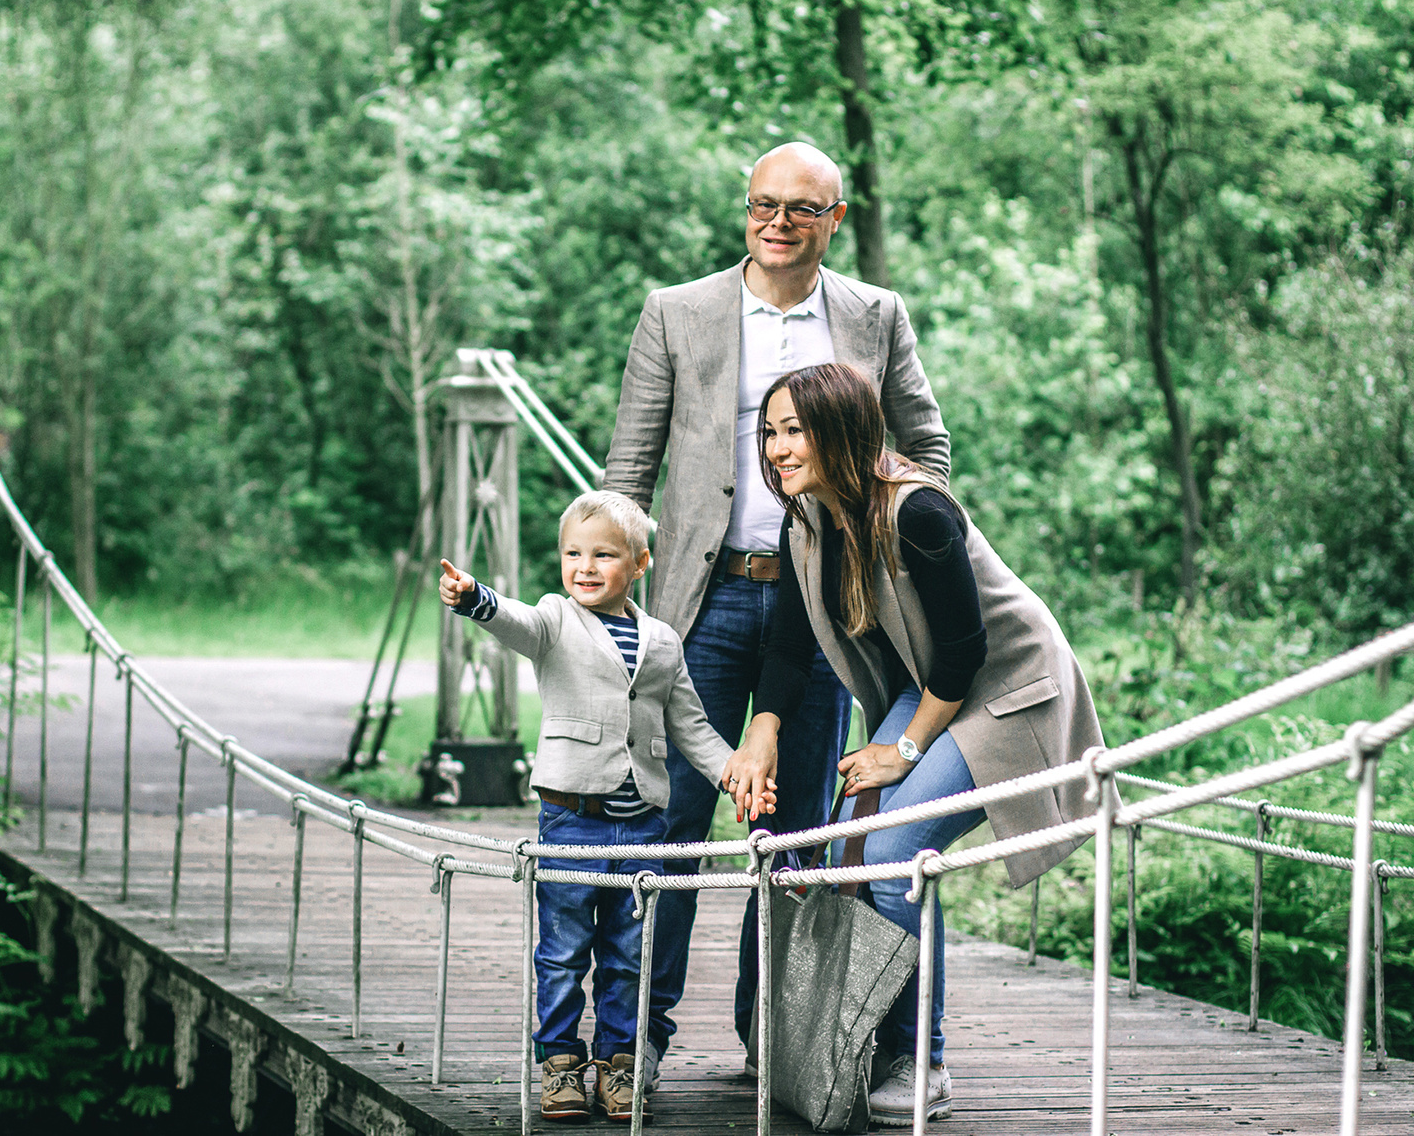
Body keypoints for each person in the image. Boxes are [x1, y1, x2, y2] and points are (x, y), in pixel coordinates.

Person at [599, 140, 952, 1054]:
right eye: (763, 204)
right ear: (745, 209)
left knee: (795, 833)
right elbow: (627, 477)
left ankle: (776, 1044)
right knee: (670, 821)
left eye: (801, 209)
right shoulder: (676, 312)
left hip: (828, 613)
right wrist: (607, 614)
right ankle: (636, 1041)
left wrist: (883, 552)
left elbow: (929, 452)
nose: (777, 223)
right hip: (699, 605)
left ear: (835, 220)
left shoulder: (877, 316)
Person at [722, 362, 1100, 1124]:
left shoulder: (918, 511)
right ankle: (856, 1044)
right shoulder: (809, 519)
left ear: (843, 432)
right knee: (848, 849)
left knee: (894, 854)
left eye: (794, 430)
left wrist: (906, 753)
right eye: (770, 431)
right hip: (931, 688)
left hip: (1002, 688)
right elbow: (790, 647)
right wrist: (761, 732)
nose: (777, 448)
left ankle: (920, 1061)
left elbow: (964, 649)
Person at [439, 490, 775, 1124]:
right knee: (563, 951)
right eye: (573, 554)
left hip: (644, 822)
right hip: (571, 818)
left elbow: (692, 727)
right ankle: (560, 1063)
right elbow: (515, 622)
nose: (585, 567)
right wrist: (477, 599)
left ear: (640, 564)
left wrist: (733, 771)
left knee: (628, 953)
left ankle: (620, 1063)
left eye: (603, 555)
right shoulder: (554, 621)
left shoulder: (664, 641)